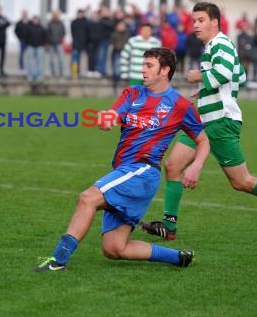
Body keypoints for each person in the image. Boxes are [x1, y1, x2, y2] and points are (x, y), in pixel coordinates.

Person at [141, 2, 257, 243]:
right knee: (173, 166)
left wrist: (197, 77)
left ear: (214, 22)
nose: (195, 25)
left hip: (220, 121)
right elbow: (240, 75)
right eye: (193, 20)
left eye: (200, 20)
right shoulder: (214, 46)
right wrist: (207, 91)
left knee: (241, 181)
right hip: (203, 120)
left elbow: (225, 74)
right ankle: (169, 226)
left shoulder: (221, 43)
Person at [35, 47, 209, 271]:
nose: (143, 70)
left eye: (149, 66)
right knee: (114, 248)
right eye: (143, 65)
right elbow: (113, 114)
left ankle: (57, 261)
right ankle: (179, 258)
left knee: (88, 198)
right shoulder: (133, 94)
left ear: (165, 70)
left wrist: (196, 166)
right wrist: (105, 119)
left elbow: (203, 140)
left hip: (143, 171)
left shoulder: (180, 104)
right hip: (126, 171)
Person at [46, 9, 66, 78]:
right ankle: (53, 73)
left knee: (61, 60)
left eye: (57, 14)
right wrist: (49, 42)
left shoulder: (61, 23)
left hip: (59, 44)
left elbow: (63, 33)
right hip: (51, 44)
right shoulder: (50, 23)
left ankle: (61, 73)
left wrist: (60, 39)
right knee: (51, 60)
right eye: (54, 14)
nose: (55, 16)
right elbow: (47, 33)